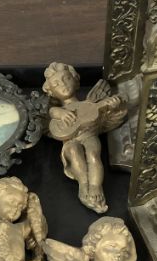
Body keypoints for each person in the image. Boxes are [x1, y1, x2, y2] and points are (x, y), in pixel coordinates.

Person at [42, 62, 126, 213]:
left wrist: (113, 105)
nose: (63, 84)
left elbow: (109, 113)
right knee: (74, 152)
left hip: (89, 134)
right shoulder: (55, 109)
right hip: (70, 139)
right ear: (51, 92)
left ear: (76, 80)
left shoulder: (90, 104)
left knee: (93, 154)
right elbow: (51, 112)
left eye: (67, 78)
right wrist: (60, 113)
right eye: (56, 84)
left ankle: (95, 187)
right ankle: (83, 185)